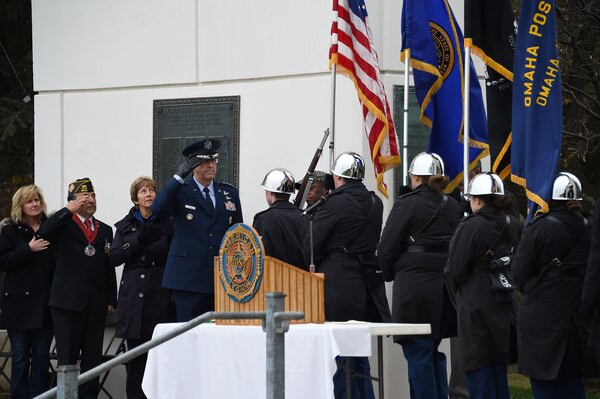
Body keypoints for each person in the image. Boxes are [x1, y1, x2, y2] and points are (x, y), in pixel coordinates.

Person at [303, 151, 391, 399]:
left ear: (337, 176)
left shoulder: (334, 203)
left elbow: (311, 244)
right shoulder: (376, 202)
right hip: (367, 281)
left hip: (340, 281)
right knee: (359, 351)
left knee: (340, 353)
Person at [378, 152, 459, 399]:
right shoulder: (453, 205)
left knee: (418, 354)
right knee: (432, 352)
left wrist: (392, 273)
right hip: (443, 287)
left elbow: (386, 248)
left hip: (414, 287)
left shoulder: (407, 203)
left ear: (416, 178)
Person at [512, 172, 600, 398]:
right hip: (578, 317)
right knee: (573, 383)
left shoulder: (539, 228)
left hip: (544, 319)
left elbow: (519, 273)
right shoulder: (591, 225)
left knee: (546, 386)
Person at [37, 178, 117, 399]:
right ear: (72, 201)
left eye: (92, 196)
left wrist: (111, 298)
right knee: (68, 358)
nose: (90, 200)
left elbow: (107, 266)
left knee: (92, 358)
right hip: (67, 302)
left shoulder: (105, 229)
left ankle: (89, 396)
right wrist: (67, 210)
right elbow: (43, 232)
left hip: (95, 302)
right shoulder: (62, 224)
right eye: (84, 197)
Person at [445, 173, 520, 399]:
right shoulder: (512, 224)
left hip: (476, 302)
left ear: (477, 199)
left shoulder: (471, 226)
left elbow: (454, 268)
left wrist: (458, 297)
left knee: (479, 375)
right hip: (505, 301)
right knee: (499, 373)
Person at [152, 138, 243, 322]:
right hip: (188, 277)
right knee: (189, 335)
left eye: (214, 161)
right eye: (205, 161)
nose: (211, 165)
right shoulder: (181, 191)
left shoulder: (228, 193)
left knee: (218, 336)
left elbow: (237, 231)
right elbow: (158, 209)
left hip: (221, 278)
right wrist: (178, 177)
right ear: (193, 165)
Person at [108, 176, 175, 399]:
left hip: (158, 293)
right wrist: (139, 240)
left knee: (158, 356)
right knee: (136, 359)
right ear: (135, 198)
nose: (148, 194)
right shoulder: (125, 225)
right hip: (133, 296)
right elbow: (114, 258)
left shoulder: (167, 223)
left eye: (152, 190)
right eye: (143, 191)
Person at [0, 185, 54, 399]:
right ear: (20, 206)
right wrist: (28, 249)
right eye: (30, 201)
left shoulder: (50, 228)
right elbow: (3, 261)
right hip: (18, 308)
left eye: (37, 200)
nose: (35, 204)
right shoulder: (10, 230)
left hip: (44, 307)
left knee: (41, 357)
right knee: (20, 358)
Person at [253, 168, 307, 269]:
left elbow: (260, 255)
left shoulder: (263, 219)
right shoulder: (304, 217)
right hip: (301, 278)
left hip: (273, 277)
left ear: (271, 192)